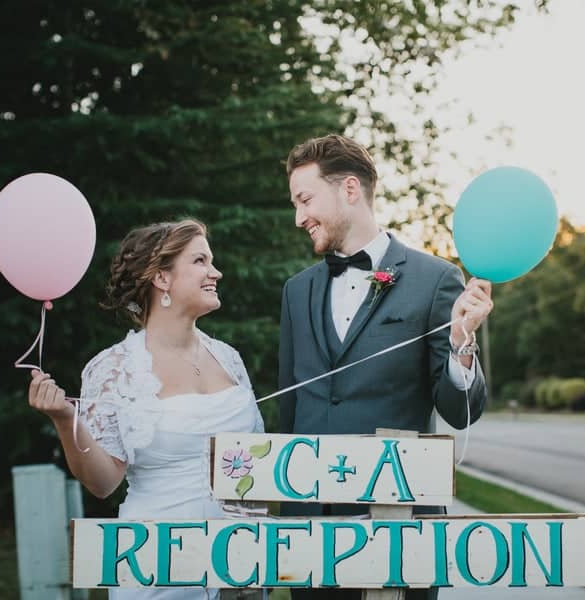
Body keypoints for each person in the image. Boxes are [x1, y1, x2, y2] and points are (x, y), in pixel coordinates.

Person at [278, 135, 493, 599]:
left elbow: (461, 411)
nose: (299, 218)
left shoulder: (435, 279)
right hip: (309, 531)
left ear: (349, 189)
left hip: (402, 527)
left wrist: (461, 343)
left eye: (305, 200)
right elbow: (290, 411)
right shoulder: (296, 291)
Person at [28, 219, 264, 600]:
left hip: (240, 566)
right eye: (200, 261)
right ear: (161, 278)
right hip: (156, 565)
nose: (215, 272)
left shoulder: (229, 359)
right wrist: (65, 420)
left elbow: (260, 465)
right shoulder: (114, 369)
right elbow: (103, 483)